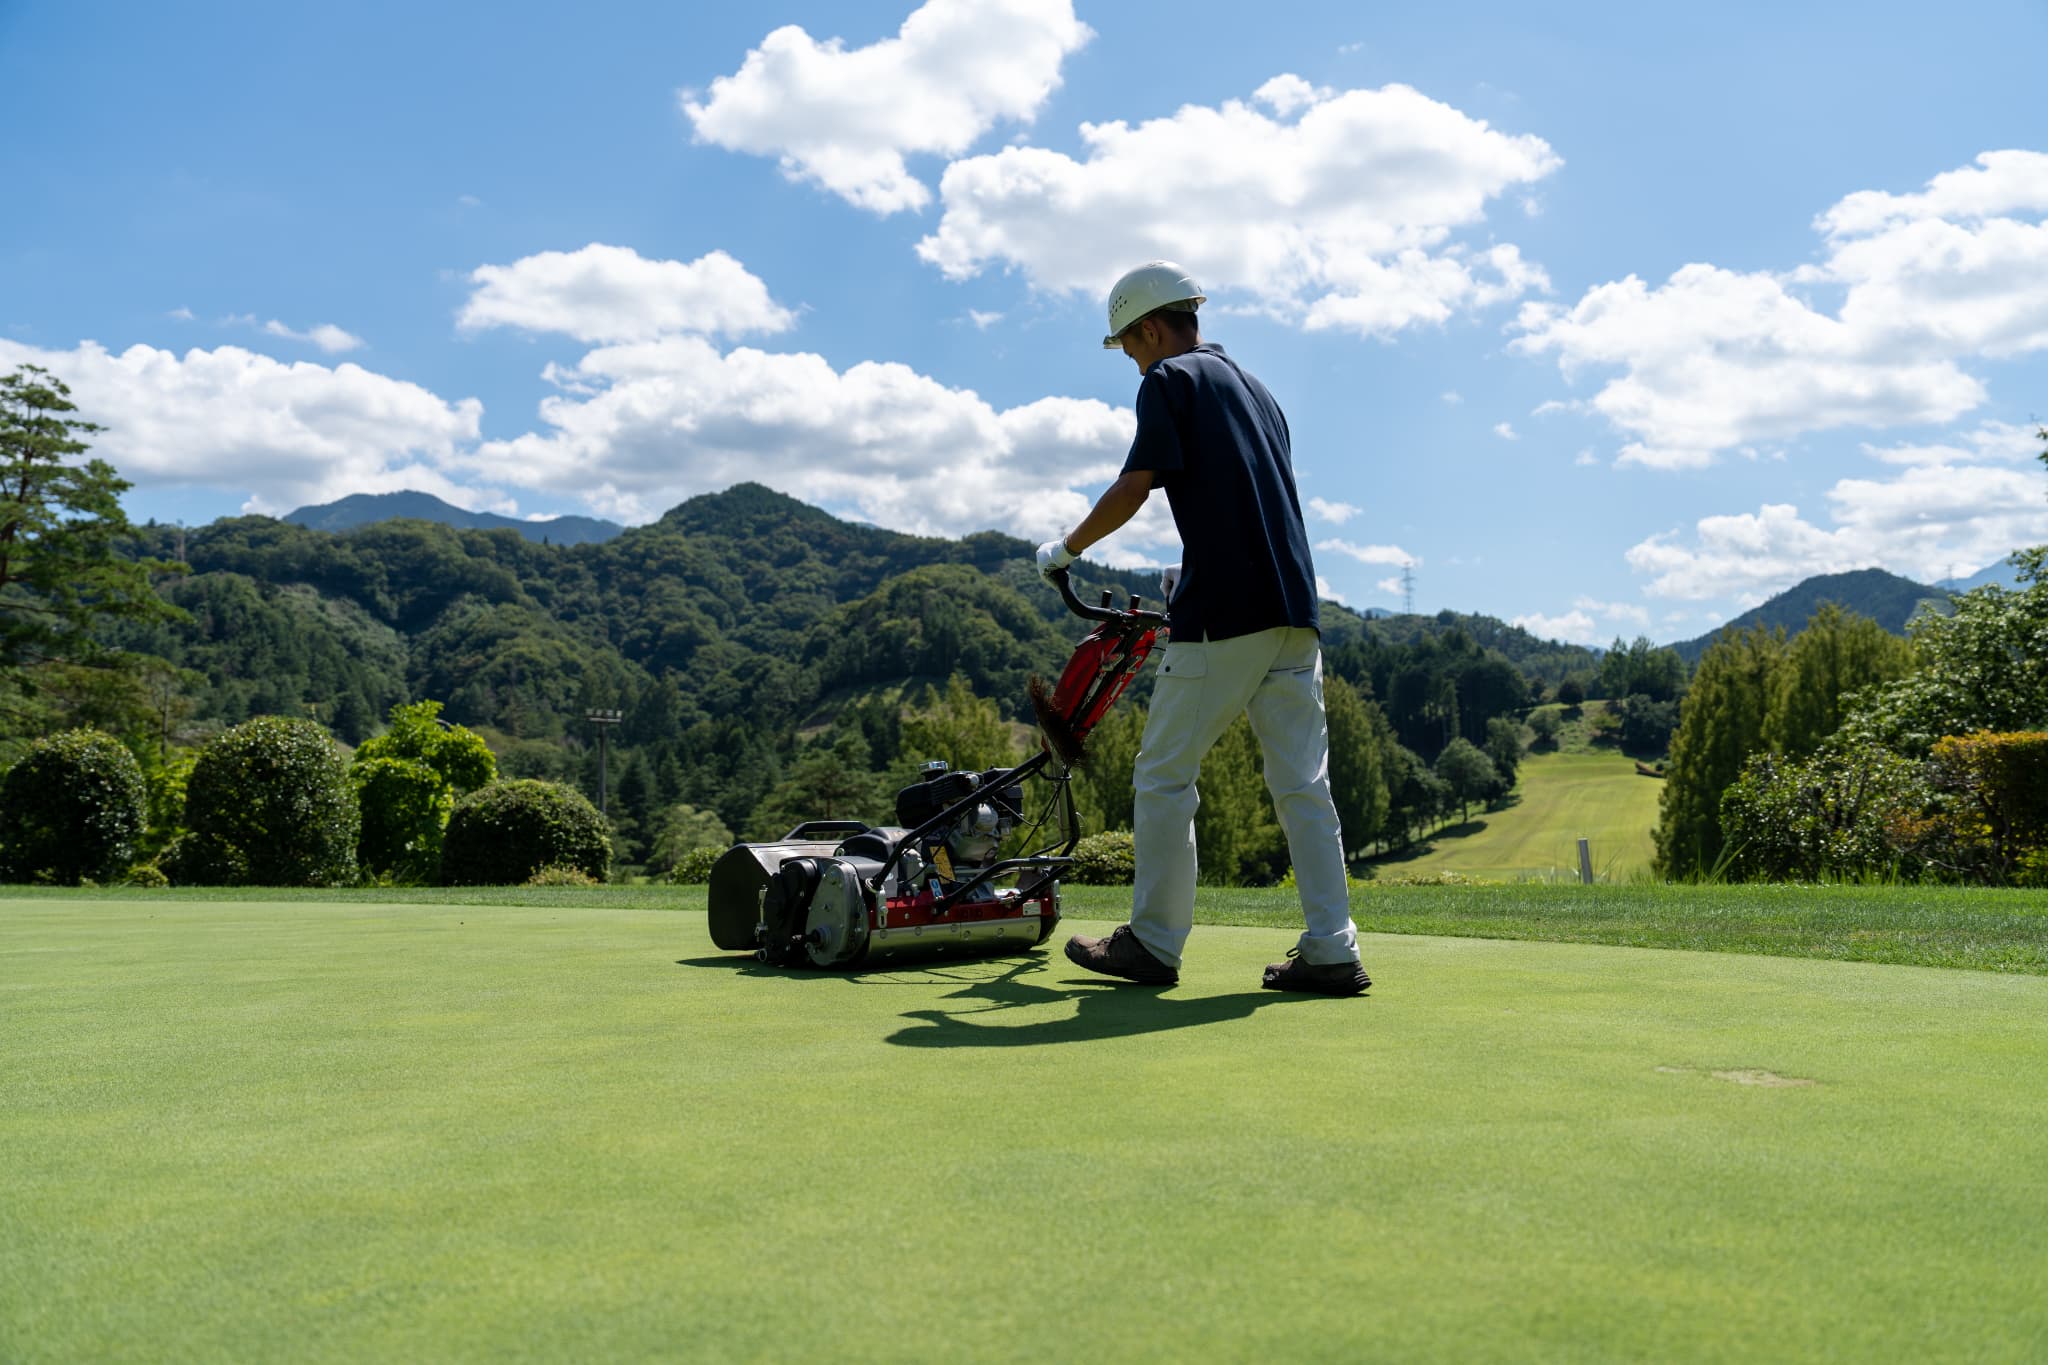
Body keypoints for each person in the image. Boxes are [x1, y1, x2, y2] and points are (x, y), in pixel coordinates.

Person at [1035, 261, 1370, 997]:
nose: (1133, 359)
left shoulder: (1170, 380)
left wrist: (1067, 549)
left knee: (1162, 774)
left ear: (1151, 328)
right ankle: (1332, 949)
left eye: (1130, 346)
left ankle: (1152, 943)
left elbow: (1135, 484)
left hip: (1225, 612)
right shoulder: (1259, 390)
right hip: (1295, 613)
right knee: (1303, 787)